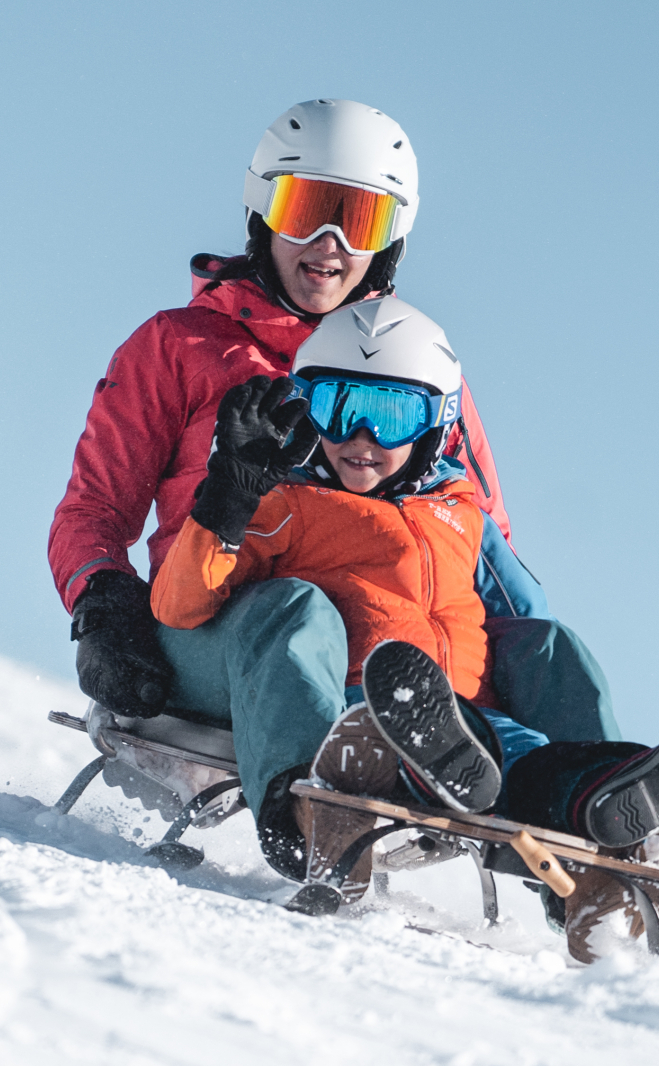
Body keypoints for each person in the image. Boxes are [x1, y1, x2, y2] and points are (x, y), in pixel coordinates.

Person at [149, 298, 659, 962]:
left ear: (436, 424)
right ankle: (312, 812)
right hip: (358, 717)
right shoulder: (286, 502)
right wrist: (231, 488)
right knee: (383, 708)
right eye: (336, 407)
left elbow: (529, 612)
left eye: (392, 414)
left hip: (470, 725)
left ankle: (613, 813)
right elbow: (183, 605)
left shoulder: (462, 513)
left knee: (538, 705)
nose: (361, 437)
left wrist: (538, 676)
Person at [50, 99, 515, 723]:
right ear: (262, 212)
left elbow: (480, 535)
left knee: (542, 647)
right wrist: (103, 599)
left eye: (360, 222)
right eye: (306, 212)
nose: (331, 244)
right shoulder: (180, 347)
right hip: (219, 619)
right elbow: (95, 507)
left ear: (390, 242)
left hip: (388, 648)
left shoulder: (419, 372)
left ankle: (594, 789)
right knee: (299, 612)